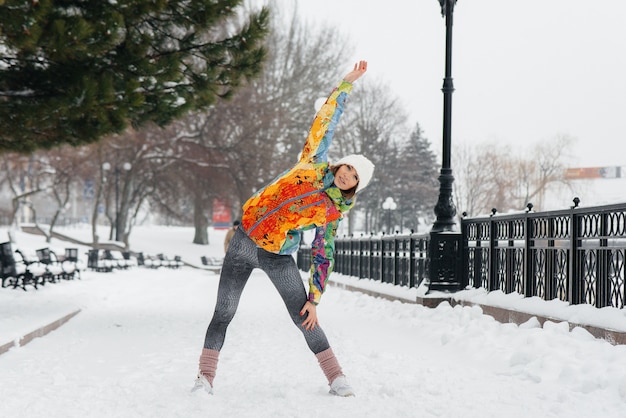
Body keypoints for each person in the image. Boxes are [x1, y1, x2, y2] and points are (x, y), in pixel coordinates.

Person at [192, 61, 374, 397]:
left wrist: (315, 298)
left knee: (303, 315)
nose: (347, 174)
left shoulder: (332, 212)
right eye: (347, 167)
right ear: (340, 164)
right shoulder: (312, 161)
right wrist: (345, 84)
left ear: (354, 187)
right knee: (224, 310)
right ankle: (205, 377)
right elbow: (325, 121)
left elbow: (324, 253)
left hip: (277, 256)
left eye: (353, 177)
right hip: (243, 242)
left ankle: (336, 377)